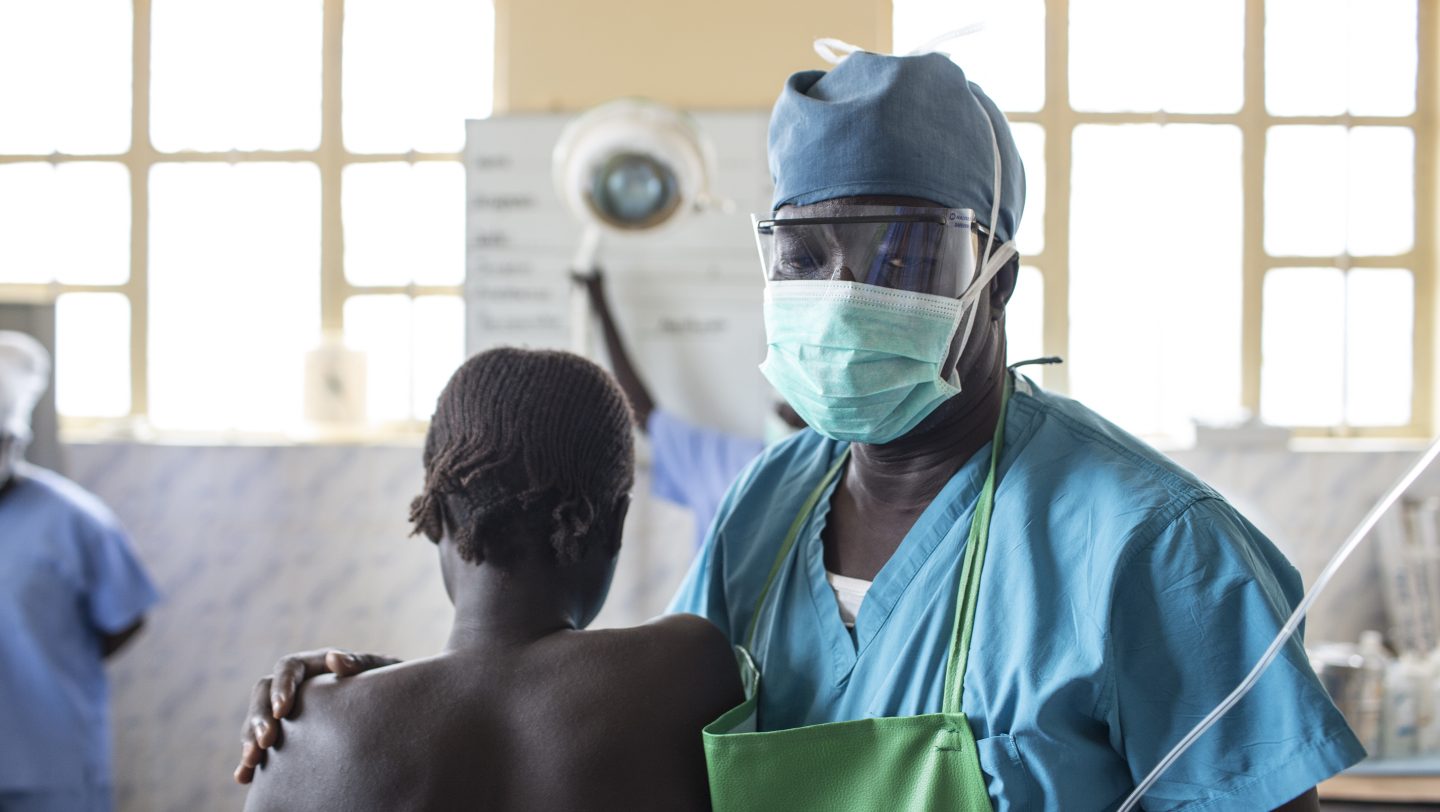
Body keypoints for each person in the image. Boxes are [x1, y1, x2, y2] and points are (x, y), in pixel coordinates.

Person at [239, 52, 1362, 809]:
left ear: (998, 281)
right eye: (806, 255)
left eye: (900, 254)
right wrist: (379, 703)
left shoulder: (1156, 548)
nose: (843, 290)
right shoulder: (766, 510)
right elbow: (621, 726)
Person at [238, 348, 740, 811]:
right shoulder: (688, 666)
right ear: (612, 523)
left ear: (435, 516)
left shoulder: (301, 731)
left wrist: (362, 688)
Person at [0, 331, 159, 812]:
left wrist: (44, 665)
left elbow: (124, 619)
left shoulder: (73, 520)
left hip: (50, 766)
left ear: (15, 439)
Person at [574, 269, 805, 550]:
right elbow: (644, 411)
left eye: (800, 414)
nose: (790, 416)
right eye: (784, 409)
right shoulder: (729, 463)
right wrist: (600, 305)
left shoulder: (845, 474)